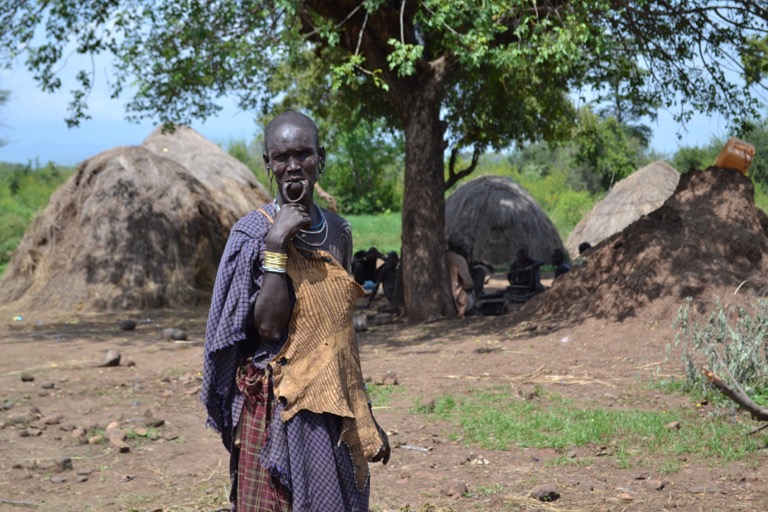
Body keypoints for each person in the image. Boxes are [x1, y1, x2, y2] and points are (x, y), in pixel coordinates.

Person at [201, 111, 390, 512]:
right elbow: (268, 328)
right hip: (272, 405)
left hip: (328, 402)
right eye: (281, 157)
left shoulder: (338, 231)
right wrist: (276, 247)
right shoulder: (253, 233)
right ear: (267, 164)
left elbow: (338, 333)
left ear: (320, 158)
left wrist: (363, 410)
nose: (292, 167)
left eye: (303, 154)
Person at [446, 233, 476, 318]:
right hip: (457, 300)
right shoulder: (459, 260)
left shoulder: (444, 256)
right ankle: (468, 311)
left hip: (446, 297)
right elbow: (468, 284)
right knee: (480, 274)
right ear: (461, 247)